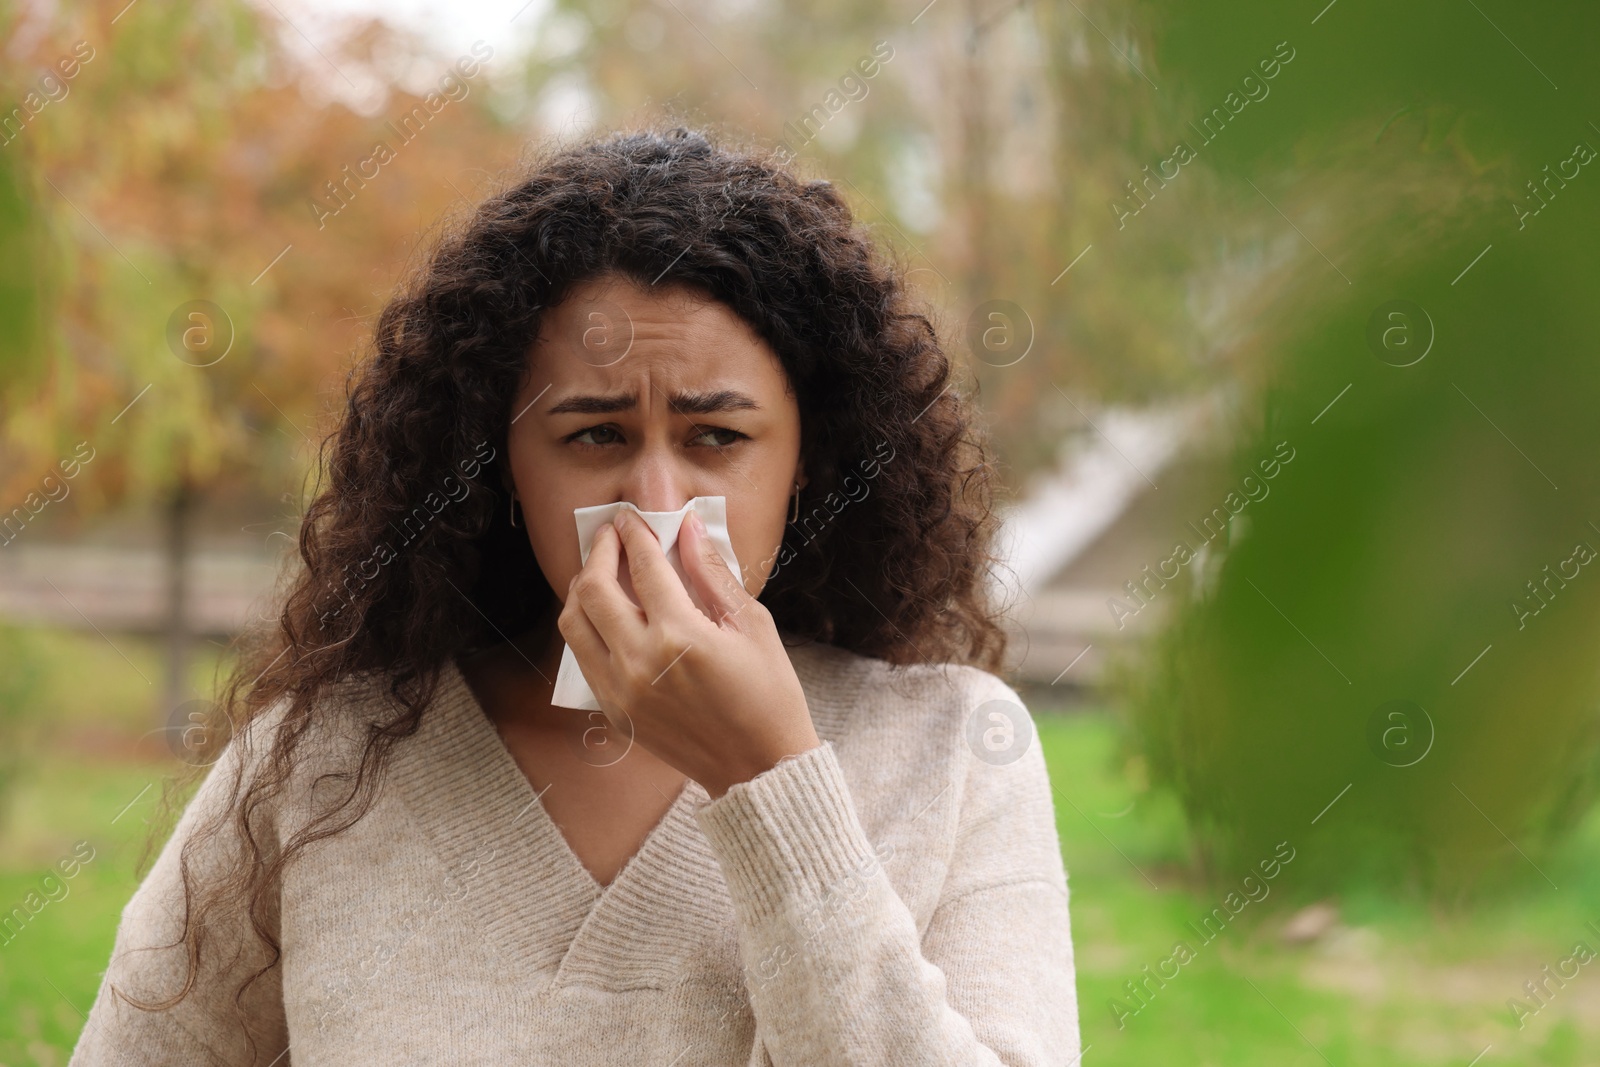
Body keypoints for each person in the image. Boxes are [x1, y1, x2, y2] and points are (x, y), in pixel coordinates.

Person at [69, 126, 1080, 1065]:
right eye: (595, 434)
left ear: (809, 461)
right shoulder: (321, 764)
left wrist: (766, 776)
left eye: (715, 438)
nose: (653, 503)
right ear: (503, 462)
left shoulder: (954, 750)